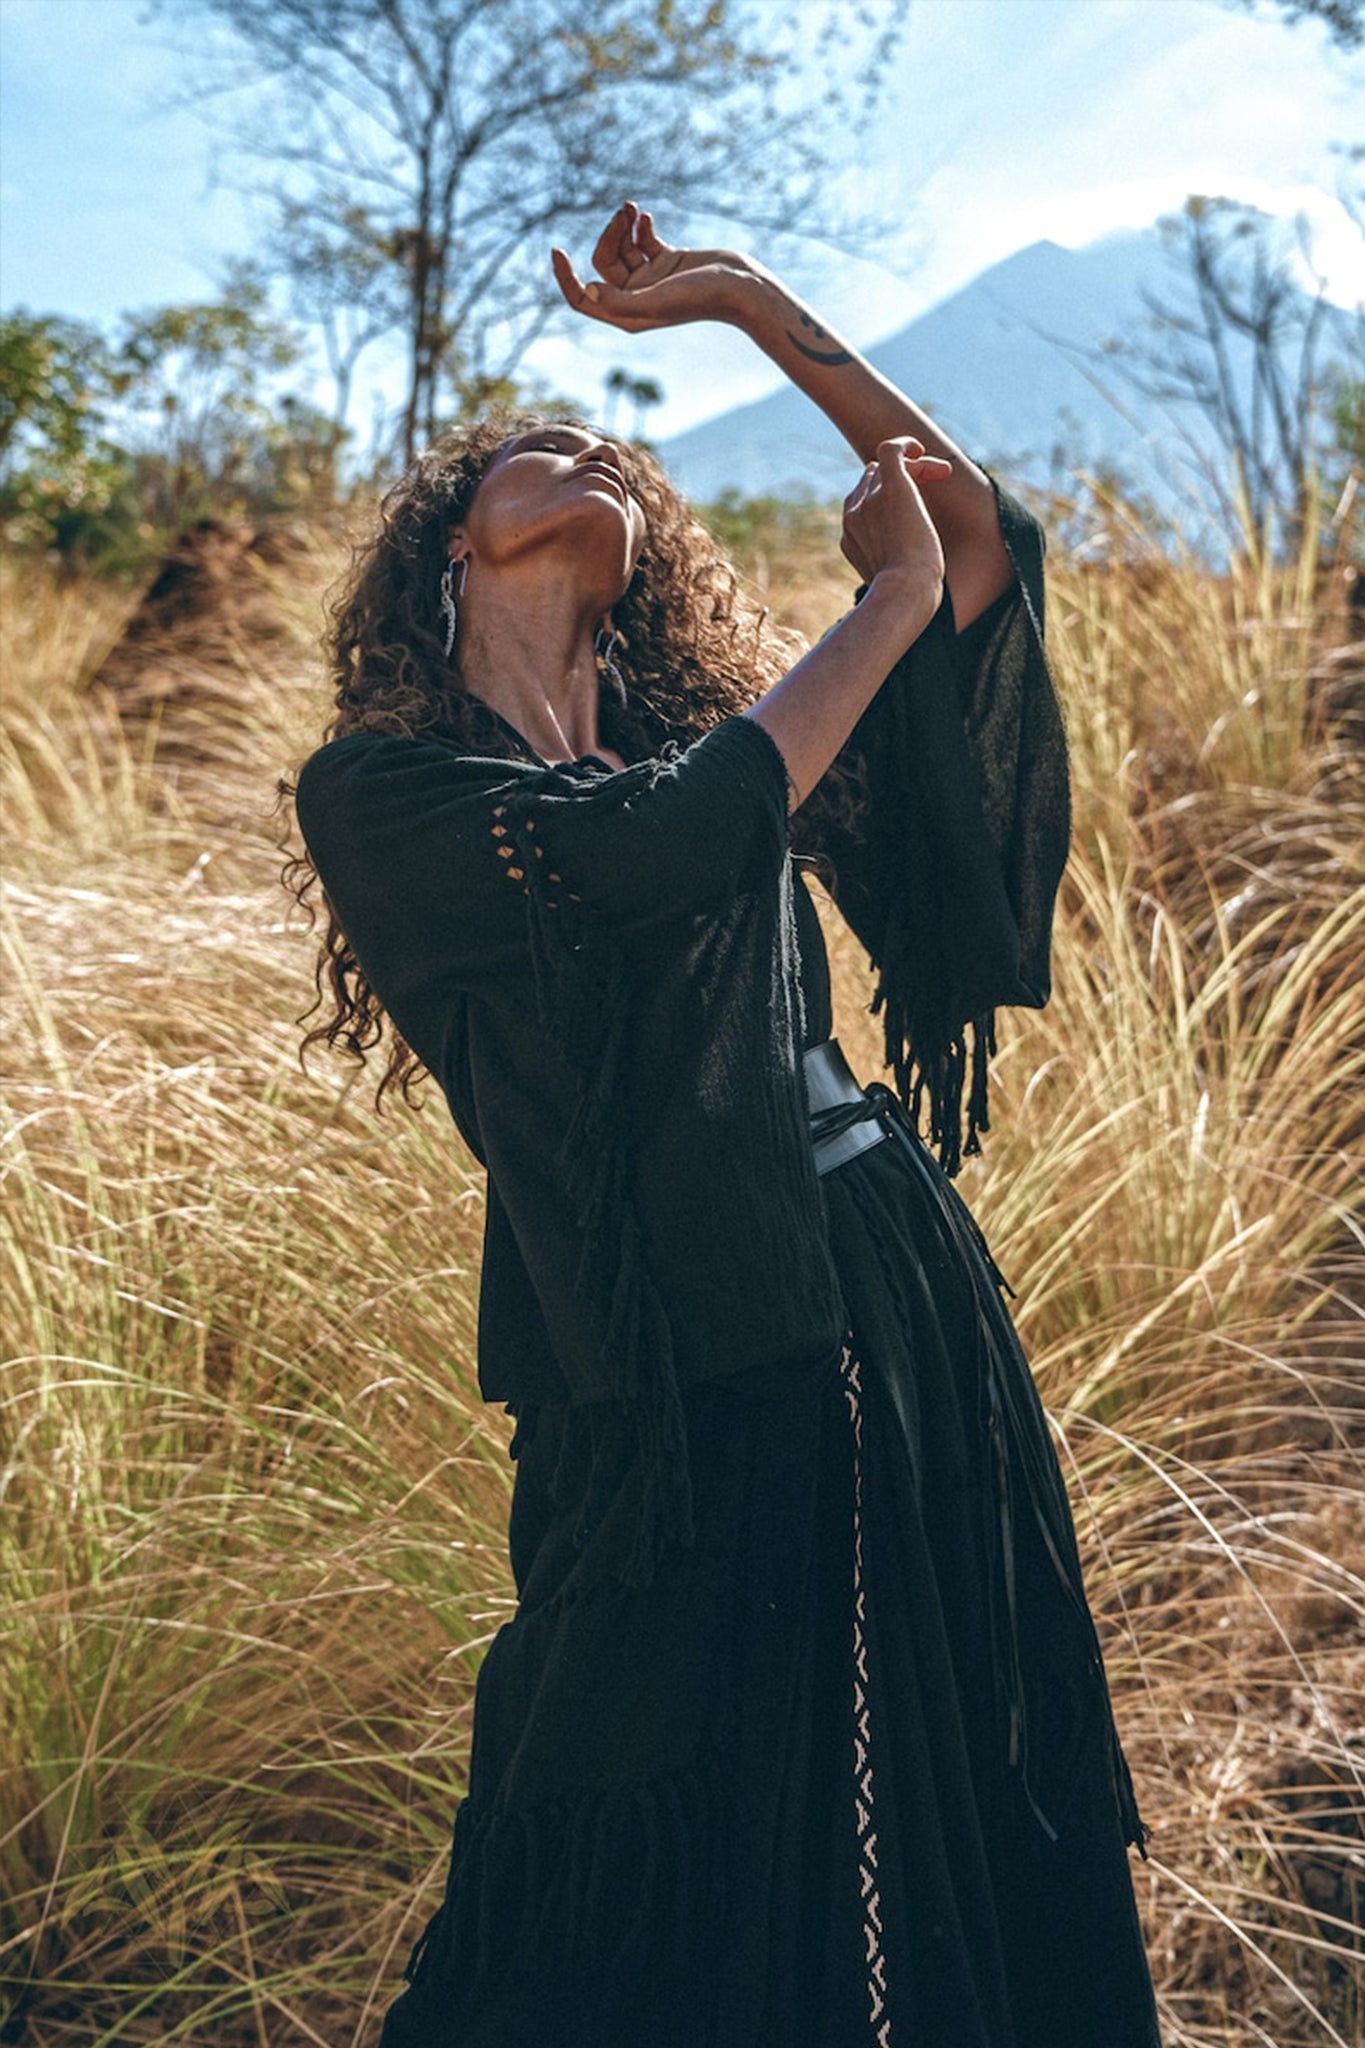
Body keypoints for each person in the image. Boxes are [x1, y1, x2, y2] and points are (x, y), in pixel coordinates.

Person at [292, 203, 1162, 2047]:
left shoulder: (715, 735)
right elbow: (650, 853)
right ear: (455, 543)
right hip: (655, 1368)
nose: (590, 449)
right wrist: (883, 603)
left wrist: (745, 305)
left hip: (869, 1274)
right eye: (544, 449)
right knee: (602, 1776)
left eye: (617, 448)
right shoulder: (387, 795)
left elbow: (973, 533)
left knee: (907, 1759)